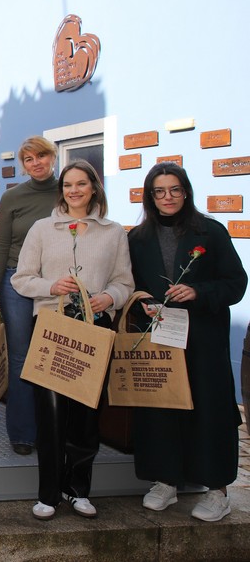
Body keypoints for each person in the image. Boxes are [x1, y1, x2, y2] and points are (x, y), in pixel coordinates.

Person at [12, 160, 134, 520]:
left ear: (94, 187)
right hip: (51, 327)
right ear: (61, 190)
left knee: (85, 413)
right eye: (68, 185)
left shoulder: (113, 232)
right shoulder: (42, 229)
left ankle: (78, 489)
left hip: (93, 328)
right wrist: (51, 286)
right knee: (50, 413)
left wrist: (108, 298)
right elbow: (22, 279)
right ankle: (48, 494)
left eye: (82, 184)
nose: (74, 191)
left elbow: (124, 282)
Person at [127, 162, 247, 521]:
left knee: (210, 410)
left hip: (204, 339)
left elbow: (236, 284)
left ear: (186, 192)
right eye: (159, 191)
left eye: (175, 190)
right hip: (160, 339)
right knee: (161, 408)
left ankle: (217, 490)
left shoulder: (211, 232)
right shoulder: (137, 238)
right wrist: (143, 304)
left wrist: (198, 290)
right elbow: (131, 286)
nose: (168, 197)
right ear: (150, 196)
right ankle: (166, 481)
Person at [0, 136, 60, 455]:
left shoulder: (68, 192)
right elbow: (1, 243)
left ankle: (55, 428)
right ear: (23, 165)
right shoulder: (13, 197)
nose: (36, 163)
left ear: (52, 157)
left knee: (54, 355)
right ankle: (22, 433)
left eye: (41, 156)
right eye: (29, 159)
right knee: (20, 357)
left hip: (57, 284)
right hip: (16, 281)